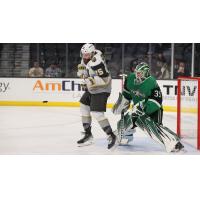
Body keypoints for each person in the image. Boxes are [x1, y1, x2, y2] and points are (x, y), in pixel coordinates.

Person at [112, 62, 184, 152]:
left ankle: (173, 142)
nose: (137, 75)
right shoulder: (130, 79)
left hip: (154, 111)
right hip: (138, 108)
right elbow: (127, 95)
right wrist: (121, 104)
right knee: (122, 123)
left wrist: (143, 109)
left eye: (139, 73)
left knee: (152, 126)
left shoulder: (151, 82)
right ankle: (125, 136)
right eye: (136, 73)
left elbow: (156, 102)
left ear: (145, 73)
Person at [76, 43, 116, 149]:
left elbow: (106, 80)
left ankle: (111, 136)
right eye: (83, 54)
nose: (85, 57)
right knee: (83, 105)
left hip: (102, 90)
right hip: (92, 89)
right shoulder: (88, 57)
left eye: (87, 55)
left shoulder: (96, 63)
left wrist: (88, 81)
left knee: (97, 113)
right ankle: (88, 134)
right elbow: (84, 69)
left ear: (92, 53)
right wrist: (83, 73)